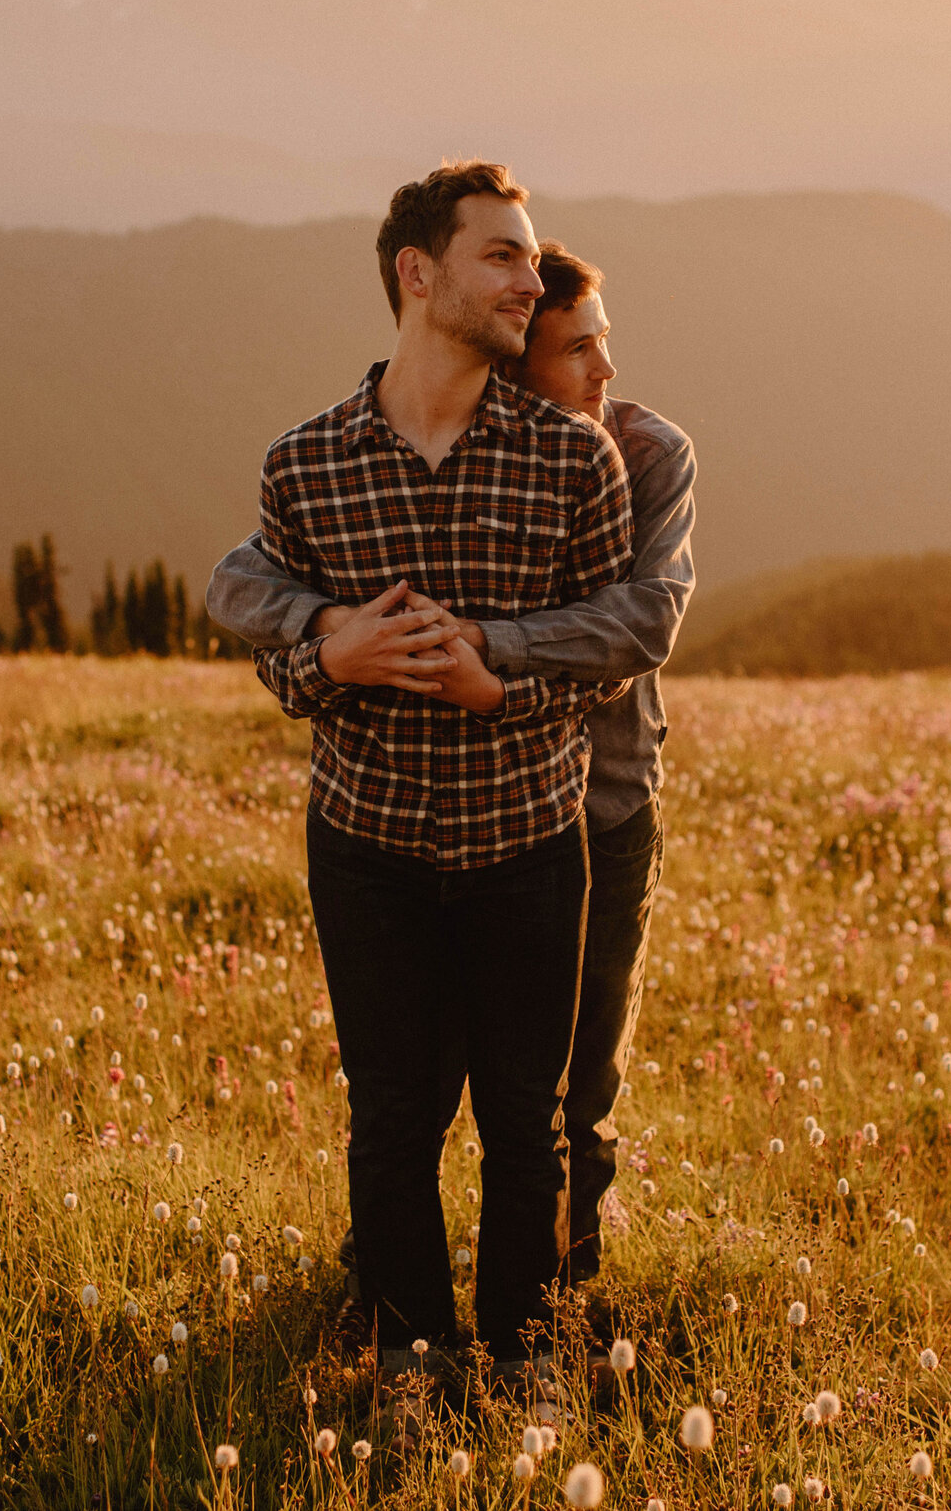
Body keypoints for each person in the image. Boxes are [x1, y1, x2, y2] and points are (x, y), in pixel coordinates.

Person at [212, 238, 697, 1309]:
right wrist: (332, 629)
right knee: (410, 1088)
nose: (604, 374)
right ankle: (394, 1283)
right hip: (425, 820)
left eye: (599, 346)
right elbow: (236, 579)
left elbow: (641, 622)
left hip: (597, 804)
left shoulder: (641, 451)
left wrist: (490, 645)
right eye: (577, 353)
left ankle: (553, 1299)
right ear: (513, 367)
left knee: (567, 1086)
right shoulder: (405, 442)